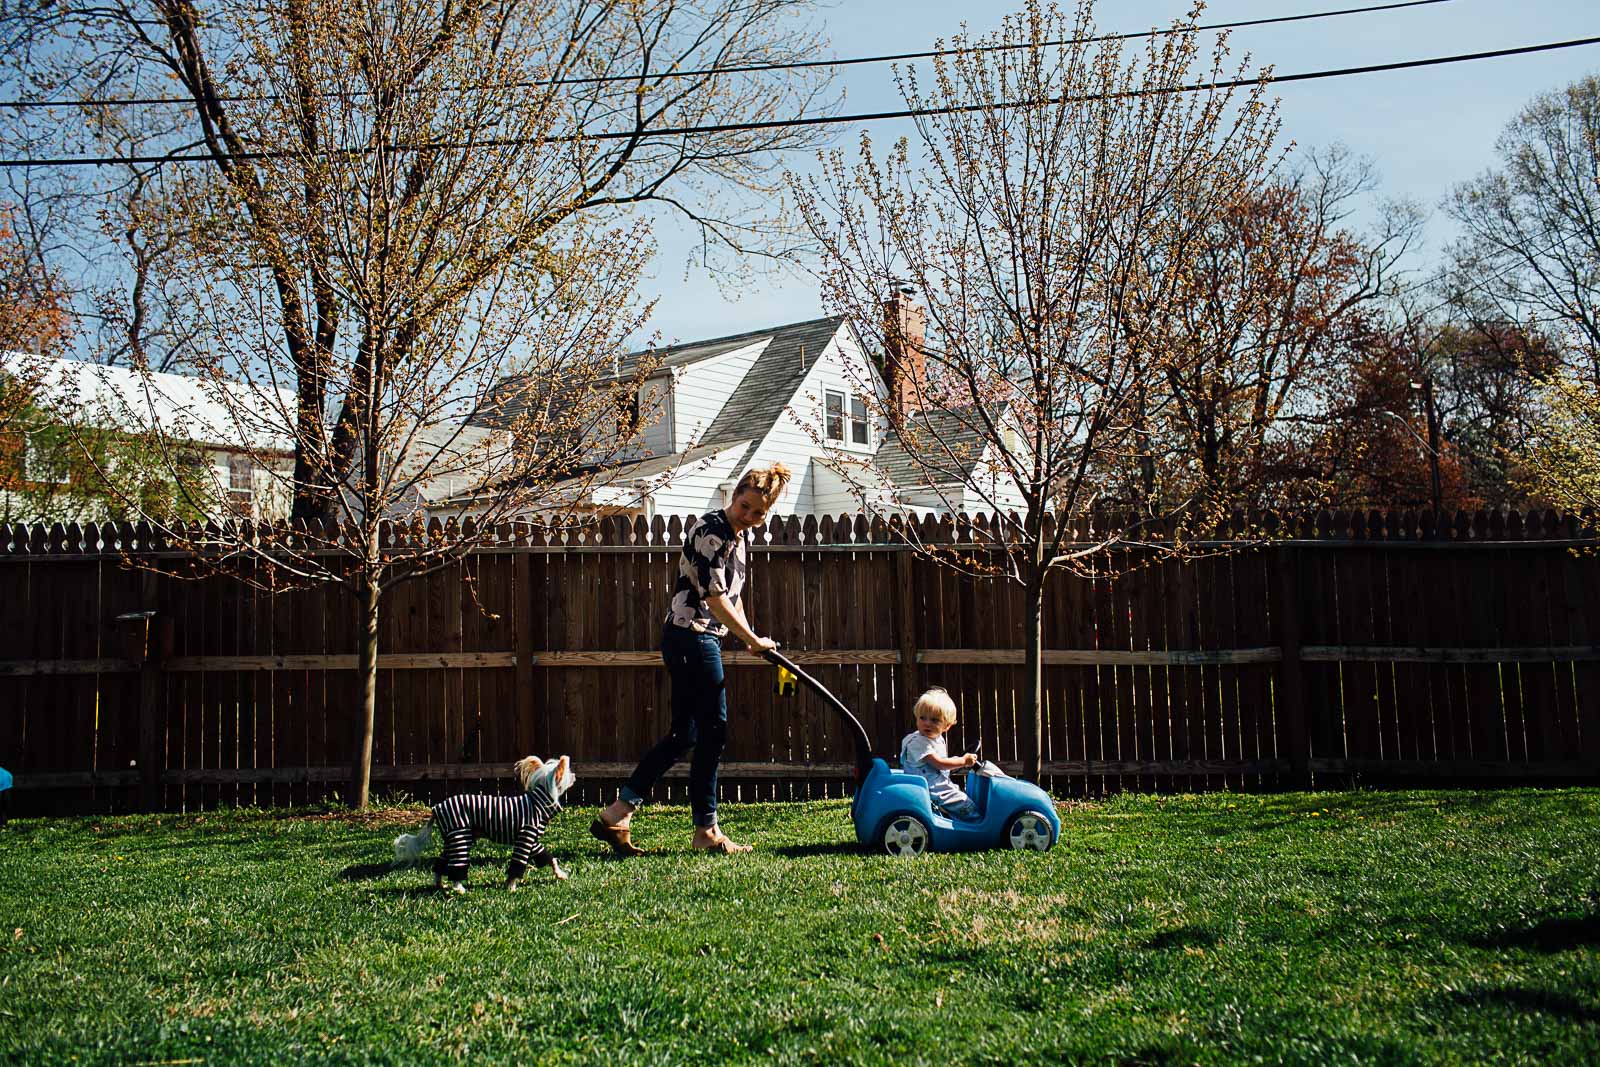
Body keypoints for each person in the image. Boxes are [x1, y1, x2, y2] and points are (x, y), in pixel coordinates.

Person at [590, 463, 791, 856]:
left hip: (699, 639)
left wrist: (753, 639)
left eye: (758, 513)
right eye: (745, 506)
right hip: (691, 637)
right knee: (712, 731)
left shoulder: (739, 537)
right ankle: (706, 831)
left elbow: (732, 599)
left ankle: (617, 812)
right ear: (735, 495)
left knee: (686, 735)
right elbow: (714, 597)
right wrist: (749, 640)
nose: (749, 516)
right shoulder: (711, 530)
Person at [899, 687, 978, 819]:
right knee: (965, 804)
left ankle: (954, 821)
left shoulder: (936, 738)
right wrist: (963, 761)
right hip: (928, 789)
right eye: (922, 718)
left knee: (959, 792)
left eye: (934, 720)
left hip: (935, 783)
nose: (927, 723)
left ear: (947, 726)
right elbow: (940, 764)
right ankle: (976, 825)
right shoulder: (918, 742)